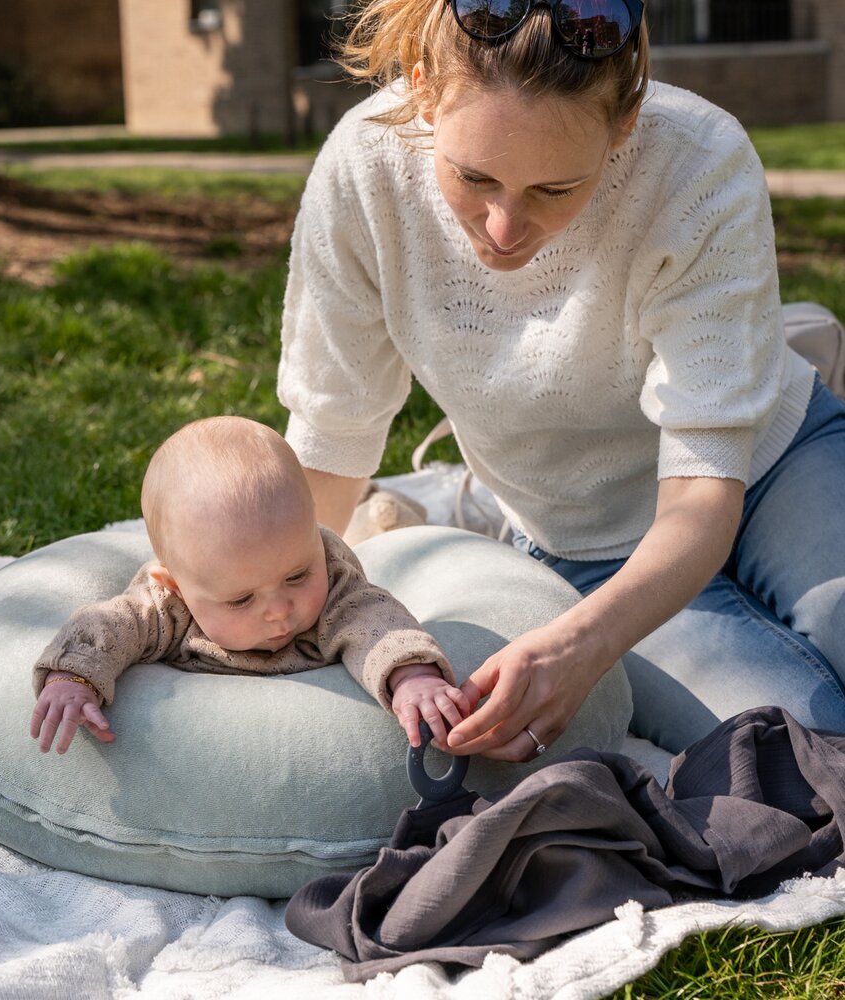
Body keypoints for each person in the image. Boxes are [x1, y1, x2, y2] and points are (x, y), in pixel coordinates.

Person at [277, 0, 845, 757]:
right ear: (421, 89)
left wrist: (578, 648)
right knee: (805, 746)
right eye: (474, 177)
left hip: (774, 461)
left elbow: (702, 491)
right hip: (584, 537)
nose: (505, 228)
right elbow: (331, 436)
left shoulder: (699, 161)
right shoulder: (363, 173)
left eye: (554, 190)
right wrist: (259, 595)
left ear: (624, 126)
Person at [29, 416, 467, 755]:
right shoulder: (165, 604)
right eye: (240, 599)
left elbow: (375, 622)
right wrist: (73, 677)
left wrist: (411, 675)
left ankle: (380, 520)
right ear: (176, 587)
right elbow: (108, 625)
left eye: (297, 575)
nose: (279, 609)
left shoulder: (332, 581)